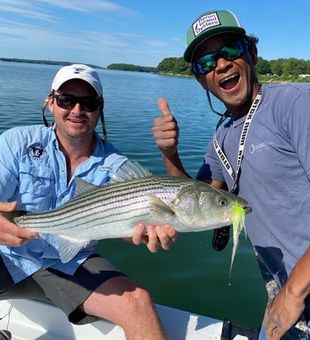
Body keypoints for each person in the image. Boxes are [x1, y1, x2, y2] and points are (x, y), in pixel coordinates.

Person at [152, 9, 310, 340]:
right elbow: (192, 203)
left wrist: (294, 291)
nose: (220, 64)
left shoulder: (294, 105)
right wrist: (169, 154)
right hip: (281, 294)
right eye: (206, 63)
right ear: (200, 79)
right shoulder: (221, 135)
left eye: (230, 50)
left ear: (250, 53)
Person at [0, 64, 177, 340]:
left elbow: (126, 228)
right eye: (66, 100)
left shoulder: (117, 167)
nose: (77, 110)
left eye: (89, 102)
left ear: (100, 108)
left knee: (138, 302)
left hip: (71, 261)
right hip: (8, 256)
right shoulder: (17, 142)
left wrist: (141, 234)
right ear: (50, 102)